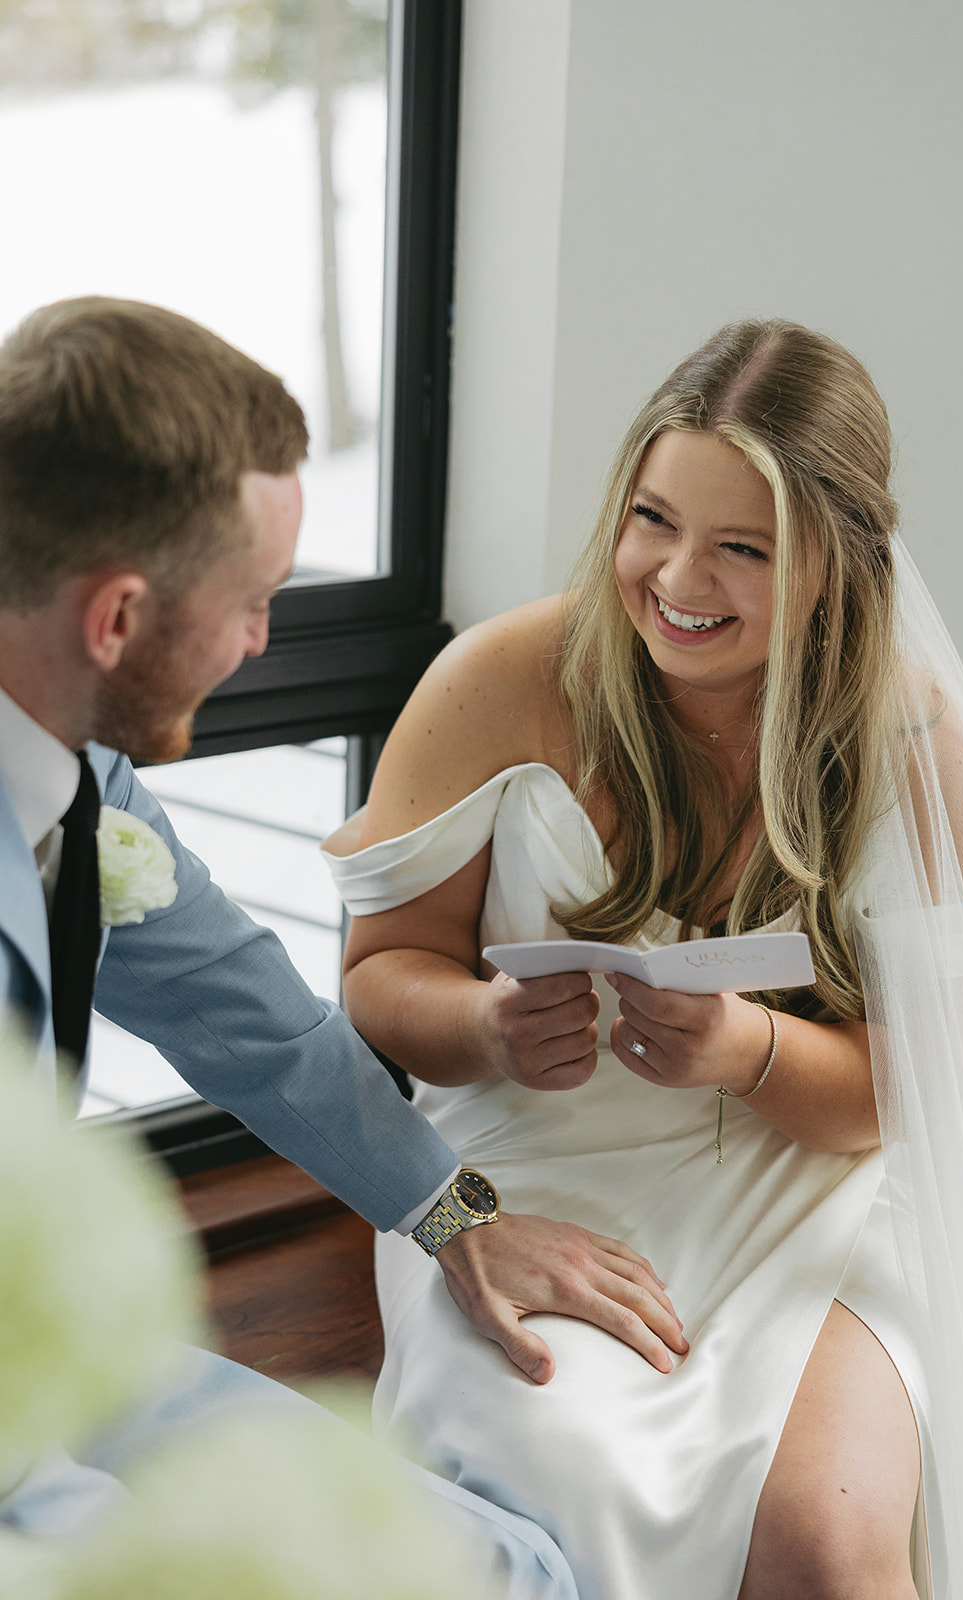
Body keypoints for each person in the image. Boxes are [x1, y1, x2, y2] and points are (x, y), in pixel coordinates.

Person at [325, 319, 963, 1600]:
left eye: (741, 545)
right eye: (652, 518)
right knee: (577, 1466)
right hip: (524, 1165)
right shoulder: (499, 681)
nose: (677, 575)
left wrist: (751, 1051)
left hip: (819, 1178)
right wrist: (487, 1027)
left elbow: (928, 1092)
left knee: (828, 1547)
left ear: (838, 562)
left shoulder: (917, 752)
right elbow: (382, 973)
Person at [0, 296, 687, 1593]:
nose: (263, 642)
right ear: (116, 619)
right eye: (251, 602)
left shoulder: (76, 762)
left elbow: (248, 1012)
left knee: (508, 1567)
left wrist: (454, 1211)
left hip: (47, 1353)